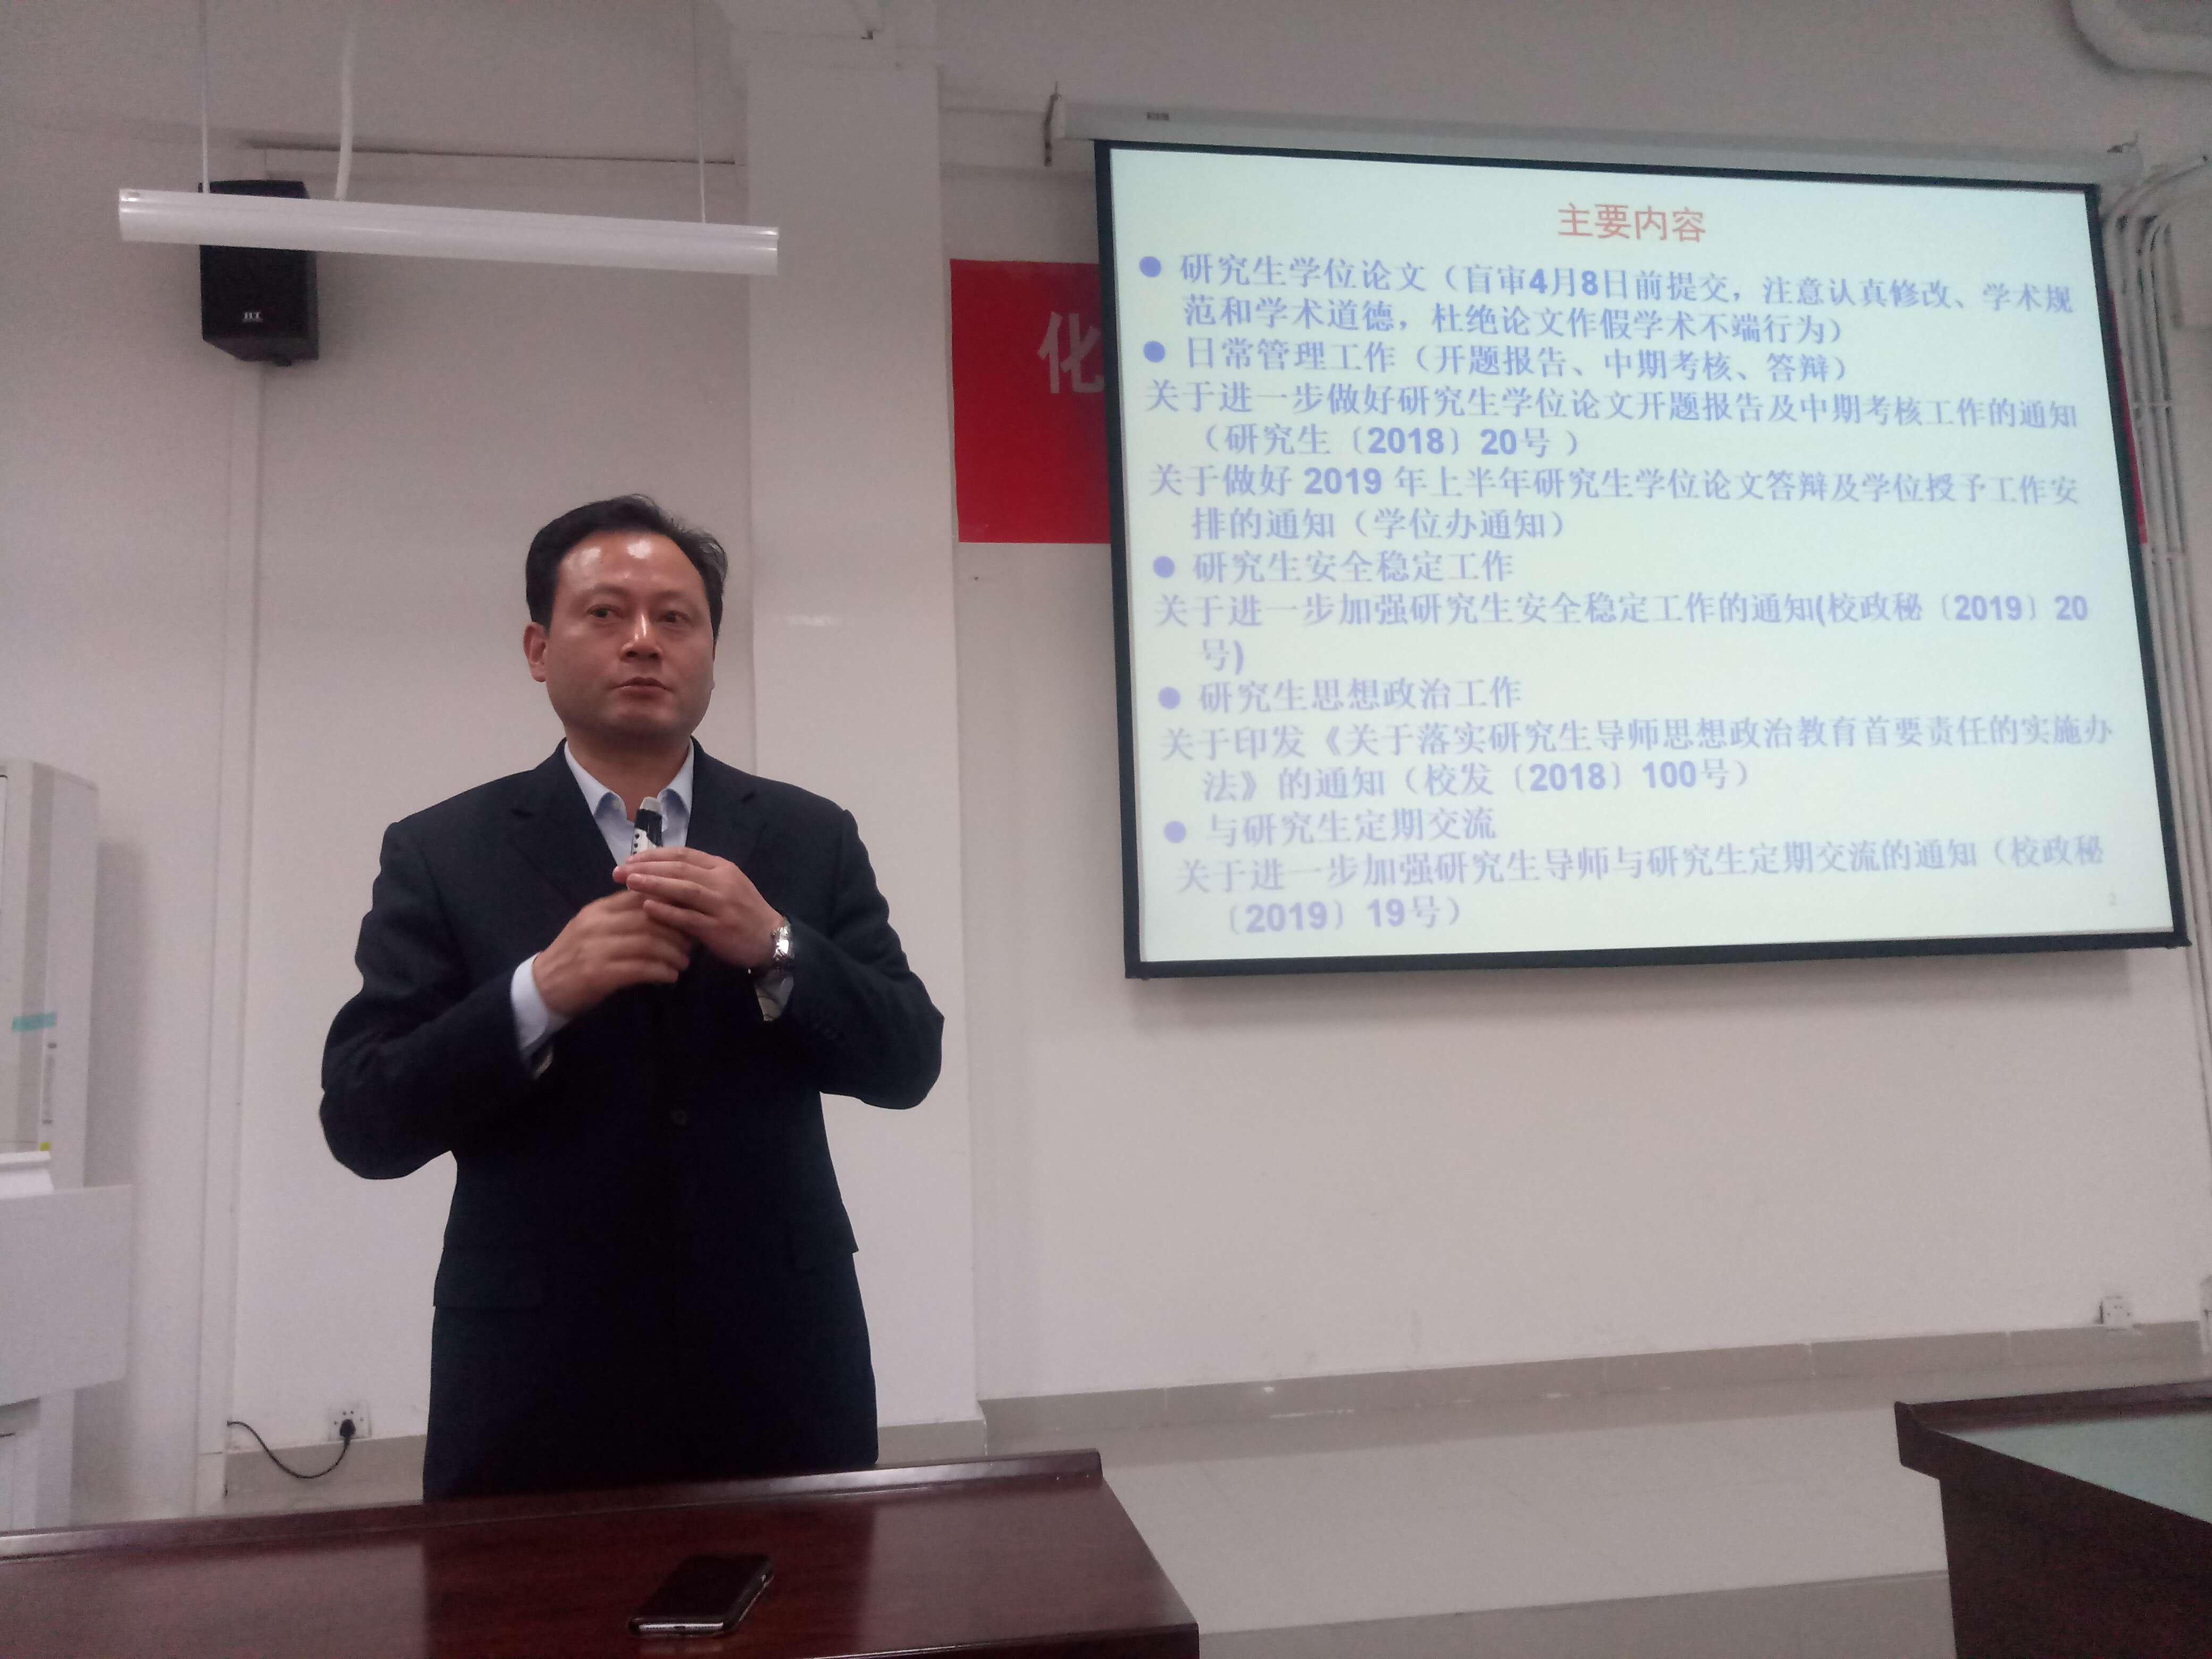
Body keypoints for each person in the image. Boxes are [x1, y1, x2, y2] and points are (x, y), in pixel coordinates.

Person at [321, 495, 942, 1500]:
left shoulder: (809, 835)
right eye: (606, 613)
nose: (645, 640)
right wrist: (537, 994)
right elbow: (364, 1120)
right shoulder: (444, 850)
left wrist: (778, 946)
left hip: (778, 1355)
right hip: (536, 1369)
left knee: (807, 1596)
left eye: (676, 618)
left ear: (711, 653)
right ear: (539, 647)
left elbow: (909, 1062)